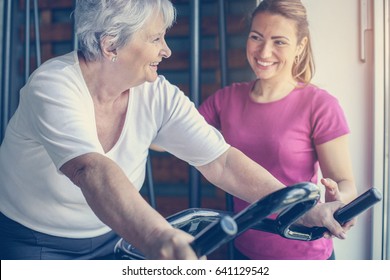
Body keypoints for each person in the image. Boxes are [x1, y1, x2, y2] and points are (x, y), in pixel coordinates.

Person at [0, 0, 352, 260]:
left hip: (113, 235)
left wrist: (304, 206)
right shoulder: (54, 85)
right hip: (36, 242)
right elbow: (91, 169)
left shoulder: (156, 93)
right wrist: (160, 238)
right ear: (111, 45)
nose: (166, 50)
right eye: (155, 39)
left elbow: (221, 161)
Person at [199, 0, 357, 260]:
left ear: (300, 46)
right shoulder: (225, 99)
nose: (264, 51)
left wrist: (338, 200)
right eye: (256, 37)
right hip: (244, 250)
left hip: (305, 256)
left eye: (279, 41)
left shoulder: (321, 105)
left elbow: (344, 182)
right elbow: (175, 133)